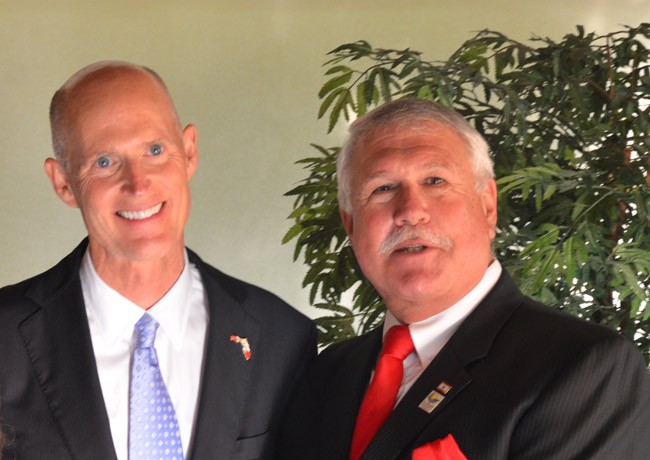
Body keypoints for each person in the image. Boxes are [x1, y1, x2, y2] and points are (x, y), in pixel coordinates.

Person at [279, 98, 650, 459]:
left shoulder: (581, 367)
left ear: (488, 206)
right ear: (350, 225)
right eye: (383, 188)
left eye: (435, 181)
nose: (411, 212)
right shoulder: (325, 374)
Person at [0, 61, 316, 460]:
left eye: (154, 150)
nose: (137, 183)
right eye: (104, 162)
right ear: (63, 182)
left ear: (188, 151)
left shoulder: (282, 339)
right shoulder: (6, 339)